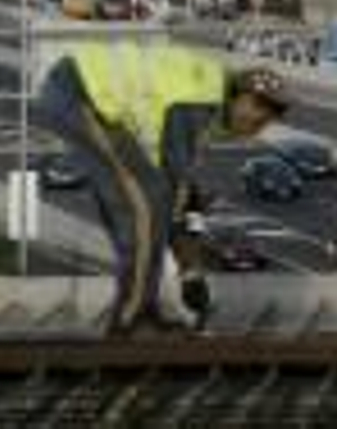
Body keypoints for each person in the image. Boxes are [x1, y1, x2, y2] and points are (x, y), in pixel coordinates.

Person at [35, 38, 289, 336]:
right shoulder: (198, 102)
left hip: (88, 99)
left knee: (143, 204)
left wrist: (190, 270)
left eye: (269, 115)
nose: (261, 118)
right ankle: (132, 320)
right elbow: (175, 192)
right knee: (148, 204)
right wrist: (189, 269)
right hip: (78, 95)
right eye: (256, 105)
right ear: (235, 95)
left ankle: (143, 307)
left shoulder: (208, 107)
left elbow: (184, 195)